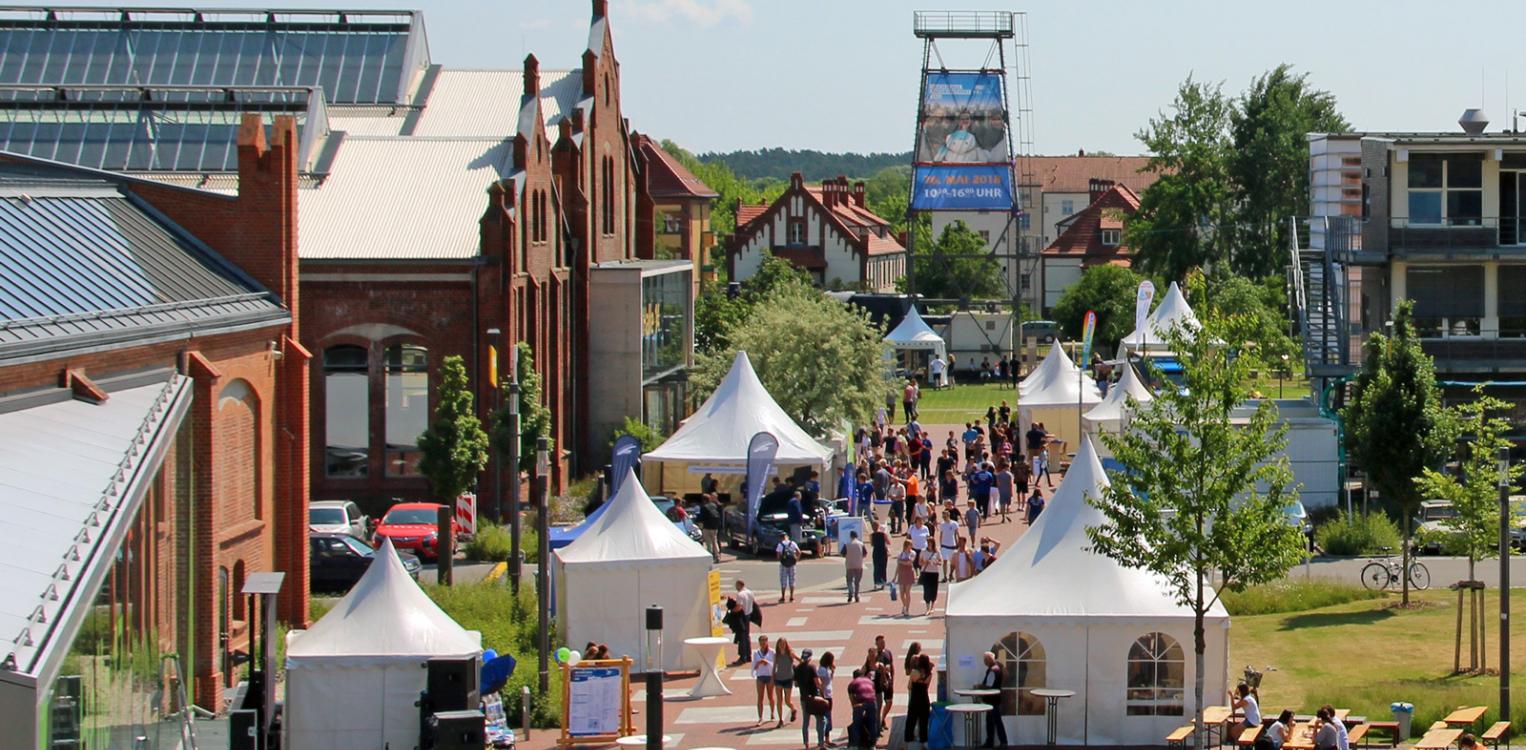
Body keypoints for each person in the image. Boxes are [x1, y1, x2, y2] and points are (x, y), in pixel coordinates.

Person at [977, 651, 1009, 748]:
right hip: (994, 699)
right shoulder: (997, 667)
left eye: (985, 660)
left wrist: (979, 686)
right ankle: (992, 741)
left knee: (995, 721)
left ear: (989, 660)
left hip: (992, 700)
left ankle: (1001, 742)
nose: (984, 662)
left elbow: (989, 686)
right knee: (992, 721)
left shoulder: (993, 670)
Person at [904, 644, 934, 746]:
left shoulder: (913, 672)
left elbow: (909, 686)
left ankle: (907, 742)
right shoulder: (930, 674)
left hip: (915, 700)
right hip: (924, 700)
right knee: (923, 723)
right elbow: (927, 686)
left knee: (911, 721)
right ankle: (923, 743)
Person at [797, 649, 826, 750]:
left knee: (806, 721)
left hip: (804, 698)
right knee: (820, 720)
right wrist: (822, 692)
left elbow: (796, 684)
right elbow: (818, 683)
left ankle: (806, 744)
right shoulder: (812, 667)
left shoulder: (798, 668)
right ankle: (821, 743)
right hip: (814, 697)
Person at [848, 666, 879, 748]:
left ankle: (855, 745)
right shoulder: (869, 681)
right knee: (872, 723)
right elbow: (873, 693)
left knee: (856, 724)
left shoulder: (852, 683)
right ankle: (873, 745)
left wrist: (857, 712)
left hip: (861, 703)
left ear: (854, 677)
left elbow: (853, 702)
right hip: (872, 702)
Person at [753, 635, 778, 725]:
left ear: (767, 641)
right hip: (760, 676)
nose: (763, 643)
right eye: (761, 641)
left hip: (769, 676)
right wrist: (759, 663)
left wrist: (767, 663)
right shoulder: (756, 653)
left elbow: (775, 665)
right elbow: (754, 666)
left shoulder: (772, 652)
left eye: (764, 641)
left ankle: (772, 713)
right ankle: (760, 717)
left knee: (770, 696)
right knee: (760, 697)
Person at [774, 638, 799, 727]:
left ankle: (793, 709)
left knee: (787, 700)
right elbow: (774, 667)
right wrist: (773, 677)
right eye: (780, 644)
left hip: (788, 678)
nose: (782, 645)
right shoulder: (776, 655)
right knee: (779, 700)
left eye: (783, 644)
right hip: (778, 679)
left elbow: (799, 660)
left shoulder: (790, 653)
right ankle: (780, 720)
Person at [816, 652, 837, 750]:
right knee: (825, 717)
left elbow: (830, 681)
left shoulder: (827, 669)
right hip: (825, 695)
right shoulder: (822, 670)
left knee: (828, 716)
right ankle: (822, 739)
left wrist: (833, 671)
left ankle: (827, 738)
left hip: (829, 694)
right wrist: (822, 695)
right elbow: (820, 684)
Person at [723, 597, 749, 666]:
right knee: (745, 640)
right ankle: (746, 656)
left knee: (742, 641)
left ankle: (743, 658)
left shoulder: (735, 611)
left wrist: (731, 611)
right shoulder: (740, 611)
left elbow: (726, 620)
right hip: (743, 624)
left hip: (740, 627)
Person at [896, 540, 918, 616]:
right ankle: (904, 605)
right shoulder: (901, 554)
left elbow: (910, 562)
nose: (911, 547)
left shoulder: (913, 553)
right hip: (902, 573)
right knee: (902, 592)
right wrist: (895, 576)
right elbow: (898, 565)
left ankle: (907, 609)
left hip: (909, 572)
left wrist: (901, 562)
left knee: (907, 591)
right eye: (910, 545)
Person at [919, 540, 942, 614]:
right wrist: (925, 562)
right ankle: (927, 608)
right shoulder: (923, 551)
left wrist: (935, 562)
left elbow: (941, 562)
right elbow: (920, 562)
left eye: (931, 543)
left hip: (934, 572)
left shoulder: (937, 552)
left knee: (934, 589)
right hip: (926, 572)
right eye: (928, 543)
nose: (929, 544)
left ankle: (932, 607)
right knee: (926, 589)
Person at [699, 493, 723, 563]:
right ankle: (717, 556)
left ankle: (710, 557)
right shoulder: (714, 506)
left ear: (703, 500)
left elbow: (701, 518)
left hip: (707, 527)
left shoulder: (703, 507)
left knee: (708, 543)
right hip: (715, 527)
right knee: (715, 541)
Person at [777, 535, 801, 603]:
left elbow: (778, 556)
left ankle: (783, 597)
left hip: (783, 565)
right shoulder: (793, 543)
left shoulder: (780, 544)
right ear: (788, 537)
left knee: (783, 581)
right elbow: (799, 552)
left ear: (781, 538)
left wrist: (782, 559)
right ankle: (791, 597)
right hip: (792, 564)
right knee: (792, 580)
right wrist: (796, 560)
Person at [938, 509, 961, 579]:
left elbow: (957, 533)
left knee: (952, 561)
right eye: (943, 517)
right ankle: (945, 576)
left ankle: (951, 574)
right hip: (944, 545)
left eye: (945, 516)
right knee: (945, 560)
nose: (944, 518)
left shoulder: (954, 524)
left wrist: (959, 542)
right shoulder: (942, 524)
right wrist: (940, 544)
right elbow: (941, 534)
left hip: (952, 545)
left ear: (948, 516)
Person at [844, 530, 866, 602]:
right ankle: (857, 596)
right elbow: (865, 554)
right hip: (859, 564)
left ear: (850, 536)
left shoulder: (847, 544)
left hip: (850, 564)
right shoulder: (861, 544)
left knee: (849, 580)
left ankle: (850, 592)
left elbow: (843, 553)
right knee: (857, 582)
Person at [870, 521, 891, 590]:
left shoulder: (871, 535)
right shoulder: (883, 534)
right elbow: (889, 542)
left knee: (876, 568)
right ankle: (883, 583)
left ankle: (875, 583)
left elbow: (872, 544)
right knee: (883, 568)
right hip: (883, 551)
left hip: (876, 551)